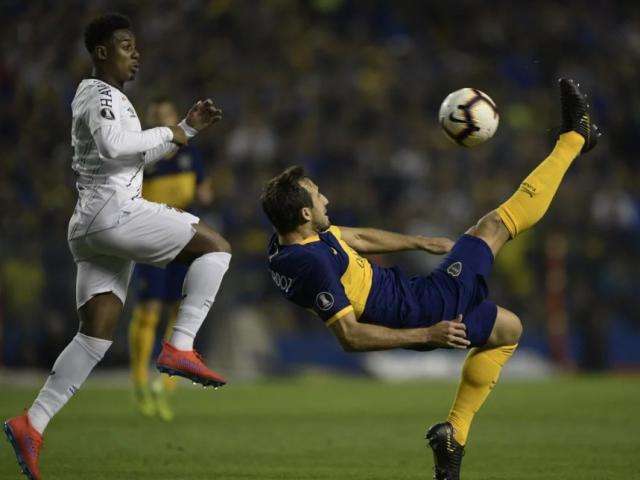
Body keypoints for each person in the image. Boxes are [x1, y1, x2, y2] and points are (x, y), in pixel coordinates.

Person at [261, 79, 598, 480]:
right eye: (318, 197)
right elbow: (350, 336)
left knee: (508, 329)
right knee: (495, 225)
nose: (326, 200)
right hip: (423, 310)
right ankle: (575, 137)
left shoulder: (287, 243)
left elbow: (359, 237)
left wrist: (419, 242)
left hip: (414, 298)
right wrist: (428, 334)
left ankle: (453, 438)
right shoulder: (312, 263)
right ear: (303, 215)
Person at [3, 13, 231, 480]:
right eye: (126, 45)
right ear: (102, 51)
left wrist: (186, 130)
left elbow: (131, 153)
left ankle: (32, 422)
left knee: (95, 335)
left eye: (136, 45)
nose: (136, 53)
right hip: (113, 214)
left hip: (91, 225)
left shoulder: (110, 99)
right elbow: (112, 147)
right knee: (216, 247)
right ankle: (179, 347)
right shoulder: (101, 95)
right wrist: (173, 130)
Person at [129, 98, 214, 421]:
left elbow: (205, 189)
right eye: (155, 117)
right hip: (152, 238)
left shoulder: (190, 153)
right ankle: (139, 380)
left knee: (179, 313)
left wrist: (204, 192)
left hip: (185, 239)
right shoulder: (144, 157)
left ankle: (165, 387)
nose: (161, 122)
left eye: (164, 116)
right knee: (149, 310)